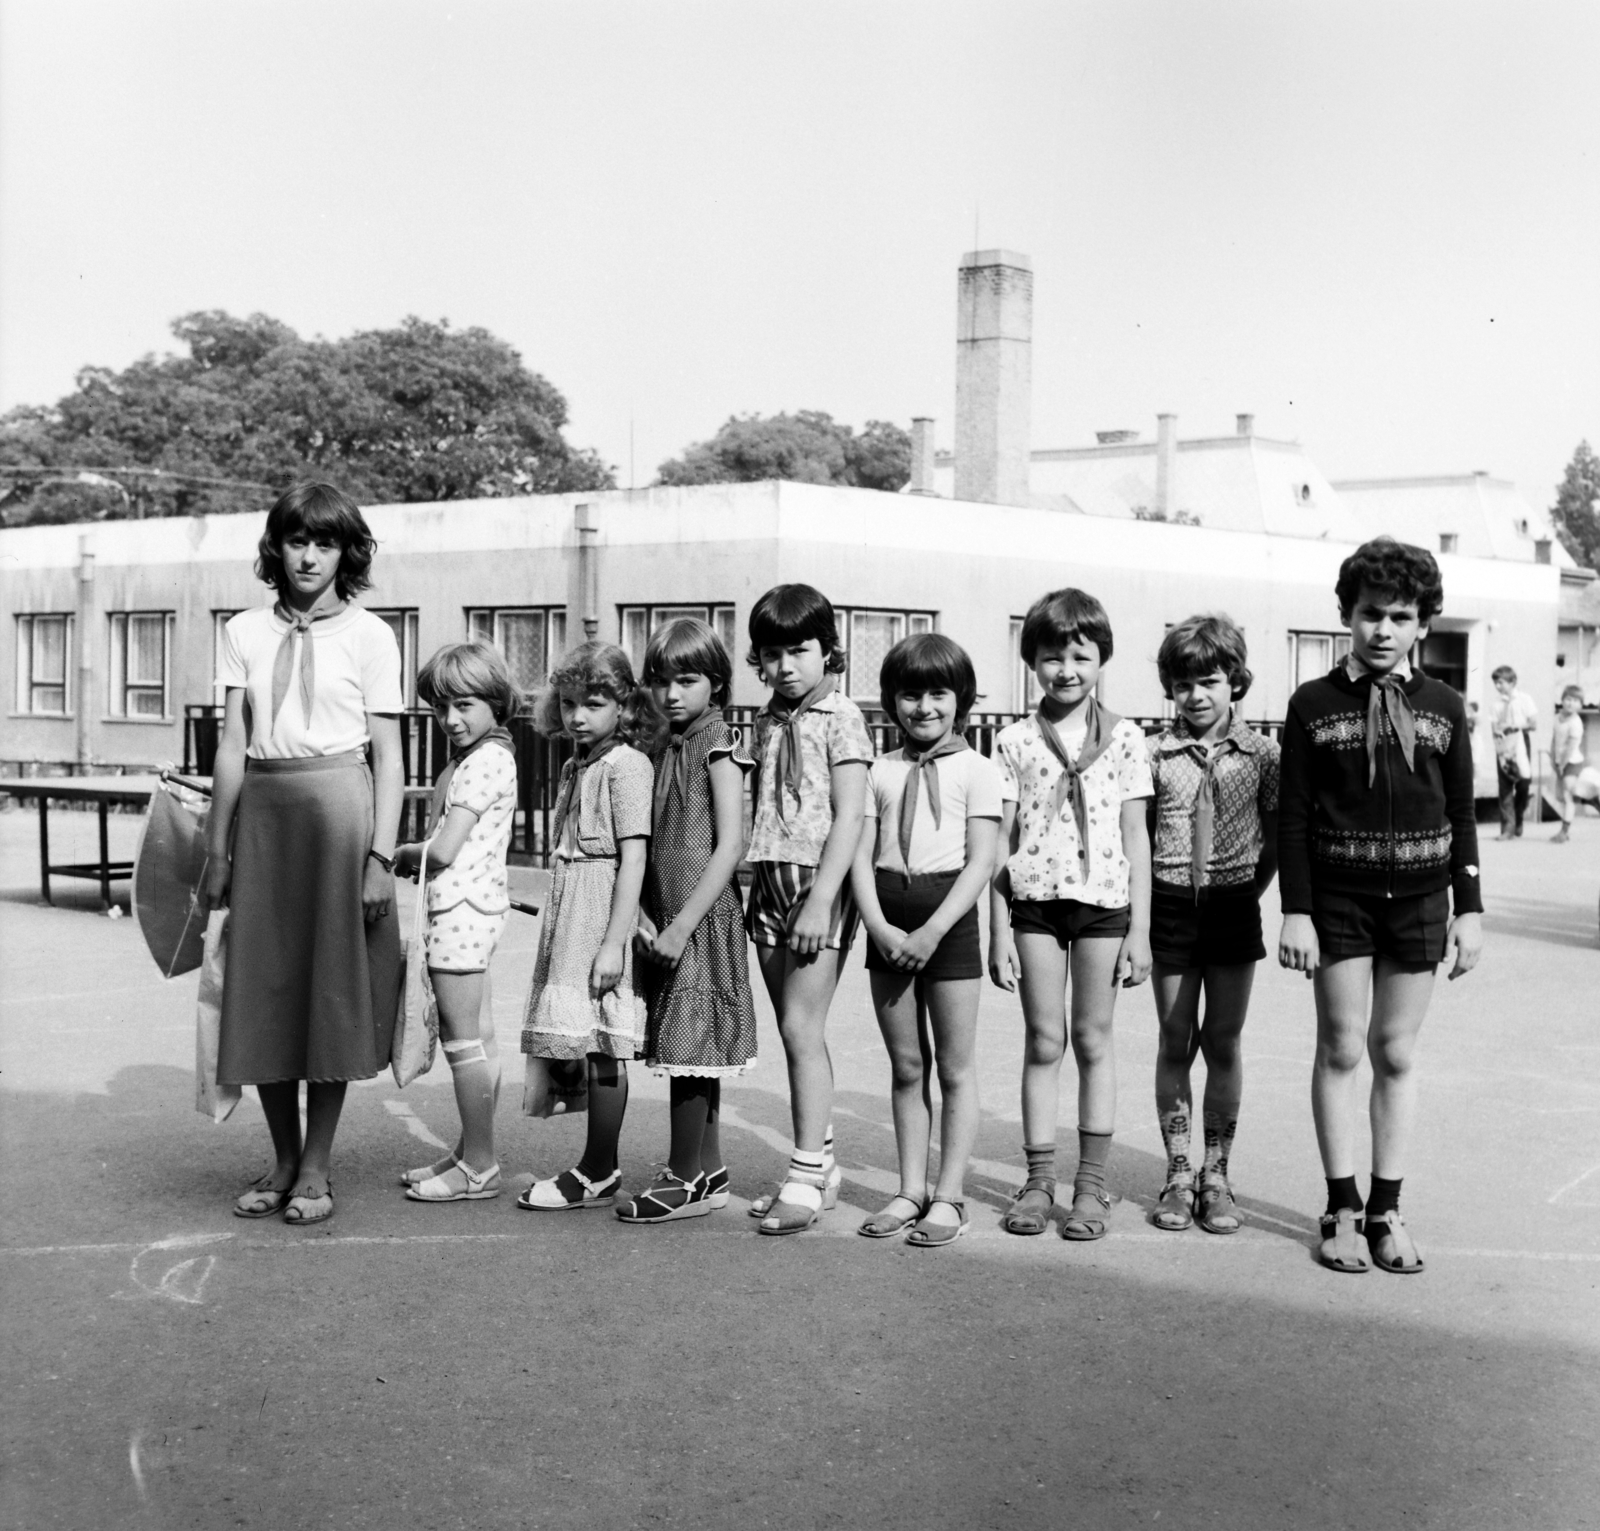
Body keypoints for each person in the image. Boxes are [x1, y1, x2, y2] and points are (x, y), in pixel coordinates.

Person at [1278, 537, 1484, 1275]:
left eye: (1401, 616)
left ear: (1423, 623)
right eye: (1370, 613)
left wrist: (1471, 906)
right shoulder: (1311, 705)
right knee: (1340, 1045)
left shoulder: (1444, 706)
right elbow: (1293, 817)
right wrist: (1295, 909)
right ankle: (1340, 1201)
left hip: (1422, 899)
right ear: (1347, 614)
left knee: (1394, 1050)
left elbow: (1461, 811)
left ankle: (1385, 1206)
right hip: (1338, 901)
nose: (1384, 629)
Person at [206, 482, 404, 1227]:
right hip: (265, 814)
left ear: (346, 552)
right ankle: (282, 1157)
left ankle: (317, 1164)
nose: (310, 555)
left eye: (325, 542)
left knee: (329, 990)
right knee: (264, 988)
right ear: (276, 548)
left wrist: (379, 855)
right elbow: (231, 744)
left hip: (339, 816)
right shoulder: (244, 630)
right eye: (297, 540)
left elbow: (388, 755)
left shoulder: (371, 635)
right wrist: (220, 846)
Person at [989, 588, 1153, 1243]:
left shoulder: (1126, 738)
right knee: (1044, 1041)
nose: (1066, 668)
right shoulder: (1014, 740)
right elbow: (999, 840)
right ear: (1031, 660)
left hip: (1104, 908)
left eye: (1080, 656)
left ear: (1100, 658)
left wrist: (1141, 928)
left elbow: (1137, 833)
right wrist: (997, 930)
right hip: (1033, 908)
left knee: (1092, 1040)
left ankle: (1090, 1185)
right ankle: (1037, 1179)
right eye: (1052, 655)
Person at [850, 634, 1000, 1247]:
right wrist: (880, 928)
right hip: (888, 923)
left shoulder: (978, 769)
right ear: (891, 701)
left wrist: (934, 930)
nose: (924, 707)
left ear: (960, 698)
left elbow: (982, 860)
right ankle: (910, 1188)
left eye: (937, 693)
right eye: (910, 694)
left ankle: (950, 1195)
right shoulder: (878, 770)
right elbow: (859, 856)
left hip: (949, 926)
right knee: (907, 1065)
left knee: (955, 1068)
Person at [743, 584, 874, 1235]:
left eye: (800, 650)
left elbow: (851, 812)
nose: (787, 665)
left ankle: (803, 1173)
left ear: (828, 651)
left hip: (816, 883)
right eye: (773, 653)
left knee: (802, 1027)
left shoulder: (842, 716)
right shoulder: (768, 718)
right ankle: (817, 1165)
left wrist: (823, 896)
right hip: (766, 878)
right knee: (792, 1030)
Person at [617, 618, 758, 1223]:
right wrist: (646, 916)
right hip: (665, 915)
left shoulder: (719, 744)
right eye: (661, 681)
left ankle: (683, 1175)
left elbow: (730, 847)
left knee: (690, 1046)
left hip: (700, 918)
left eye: (688, 680)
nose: (672, 694)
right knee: (691, 1047)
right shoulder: (656, 746)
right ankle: (710, 1167)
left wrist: (680, 925)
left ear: (717, 684)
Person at [1145, 615, 1279, 1236]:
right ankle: (1177, 1174)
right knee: (1176, 1040)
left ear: (1235, 682)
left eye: (1210, 680)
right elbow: (1139, 836)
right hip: (1171, 903)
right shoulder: (1153, 755)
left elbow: (1275, 836)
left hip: (1233, 904)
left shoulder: (1264, 755)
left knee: (1222, 1041)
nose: (1196, 695)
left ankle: (1216, 1173)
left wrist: (1250, 888)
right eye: (1182, 684)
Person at [517, 643, 660, 1211]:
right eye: (570, 702)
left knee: (603, 1041)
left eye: (594, 703)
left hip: (600, 912)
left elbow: (634, 859)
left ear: (624, 706)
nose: (578, 716)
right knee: (583, 1036)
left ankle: (600, 1168)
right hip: (572, 908)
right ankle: (595, 1164)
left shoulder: (627, 765)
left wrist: (612, 945)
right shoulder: (580, 763)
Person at [392, 642, 521, 1202]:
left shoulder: (485, 760)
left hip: (460, 914)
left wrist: (394, 855)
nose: (451, 720)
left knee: (462, 1041)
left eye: (464, 705)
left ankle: (481, 1166)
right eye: (441, 708)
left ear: (495, 701)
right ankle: (471, 1151)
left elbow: (442, 850)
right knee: (481, 1039)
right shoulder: (491, 754)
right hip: (475, 909)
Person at [1490, 665, 1538, 839]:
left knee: (1523, 783)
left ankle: (1518, 818)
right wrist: (1498, 739)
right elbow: (1493, 726)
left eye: (1501, 682)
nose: (1498, 686)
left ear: (1512, 682)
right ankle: (1507, 829)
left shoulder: (1524, 699)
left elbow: (1533, 724)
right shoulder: (1496, 704)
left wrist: (1515, 726)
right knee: (1505, 786)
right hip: (1504, 745)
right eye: (1496, 682)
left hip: (1521, 743)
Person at [1550, 684, 1587, 844]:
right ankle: (1588, 797)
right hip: (1560, 763)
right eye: (1568, 699)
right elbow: (1555, 739)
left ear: (1580, 705)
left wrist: (1562, 764)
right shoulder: (1558, 717)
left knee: (1567, 796)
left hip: (1571, 762)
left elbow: (1571, 747)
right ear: (1562, 700)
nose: (1571, 703)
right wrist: (1553, 759)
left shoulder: (1576, 722)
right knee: (1560, 796)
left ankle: (1564, 832)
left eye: (1575, 701)